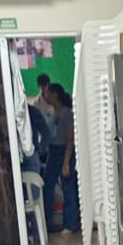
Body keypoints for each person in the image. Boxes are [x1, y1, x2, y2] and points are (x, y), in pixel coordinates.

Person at [40, 82, 72, 236]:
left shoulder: (66, 114)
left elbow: (70, 139)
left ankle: (70, 224)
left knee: (68, 187)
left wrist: (66, 162)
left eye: (48, 93)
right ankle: (46, 222)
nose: (45, 96)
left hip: (63, 150)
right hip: (52, 151)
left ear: (55, 94)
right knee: (47, 186)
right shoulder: (51, 113)